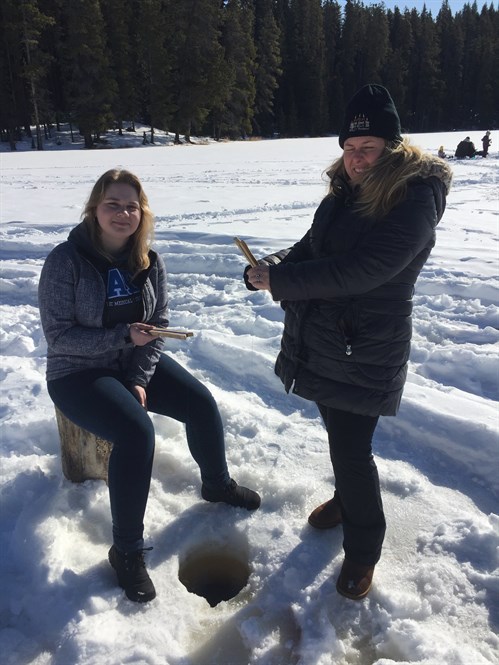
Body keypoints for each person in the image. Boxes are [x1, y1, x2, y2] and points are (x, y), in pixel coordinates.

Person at [243, 84, 452, 600]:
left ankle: (363, 550)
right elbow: (312, 247)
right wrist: (274, 268)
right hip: (325, 340)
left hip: (367, 345)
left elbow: (369, 269)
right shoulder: (341, 194)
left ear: (393, 148)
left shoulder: (413, 196)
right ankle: (346, 499)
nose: (356, 159)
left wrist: (285, 284)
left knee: (352, 449)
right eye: (350, 148)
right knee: (336, 432)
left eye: (369, 149)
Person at [38, 169, 260, 603]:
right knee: (137, 433)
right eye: (112, 204)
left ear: (142, 213)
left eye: (131, 206)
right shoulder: (66, 261)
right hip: (76, 372)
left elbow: (157, 326)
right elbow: (58, 337)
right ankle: (125, 552)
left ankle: (216, 483)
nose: (122, 213)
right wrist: (123, 337)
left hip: (131, 361)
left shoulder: (148, 260)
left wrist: (139, 376)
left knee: (200, 402)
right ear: (94, 209)